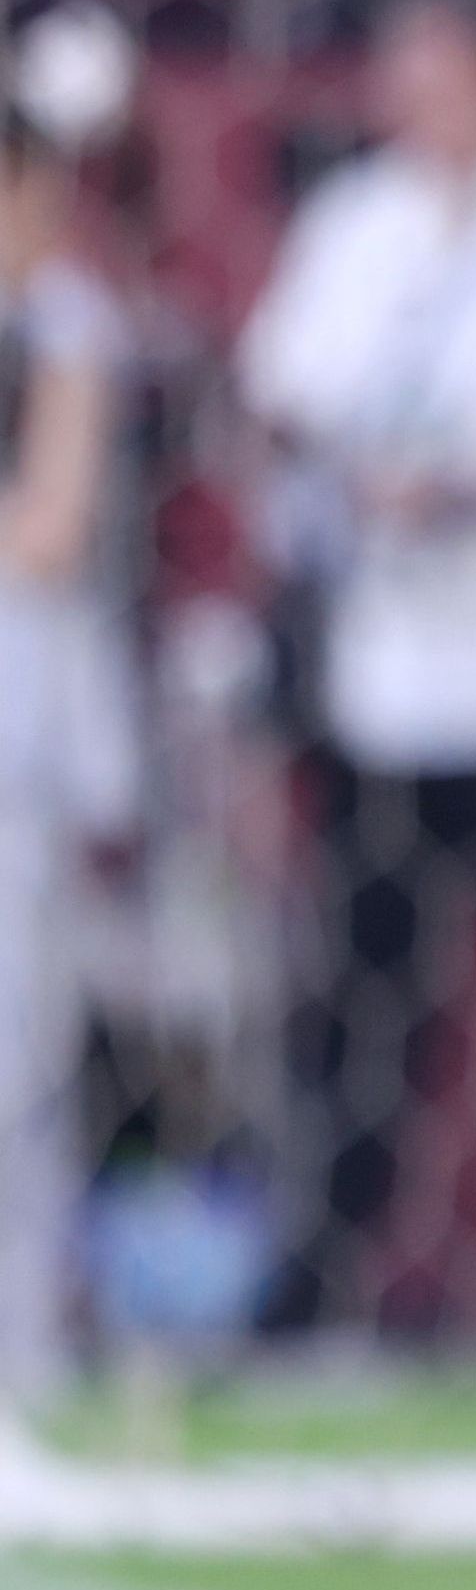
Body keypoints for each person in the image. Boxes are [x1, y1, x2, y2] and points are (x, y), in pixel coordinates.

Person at [234, 0, 476, 1341]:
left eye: (440, 72)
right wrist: (353, 477)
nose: (412, 100)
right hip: (387, 683)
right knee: (359, 1024)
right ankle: (310, 1306)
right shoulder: (355, 226)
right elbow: (282, 397)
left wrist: (467, 489)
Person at [0, 80, 140, 1396]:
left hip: (25, 721)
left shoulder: (67, 325)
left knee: (15, 1048)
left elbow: (48, 533)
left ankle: (25, 1347)